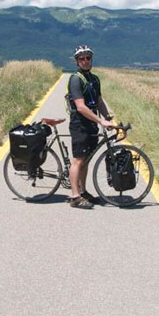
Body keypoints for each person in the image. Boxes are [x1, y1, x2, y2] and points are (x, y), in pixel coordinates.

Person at [66, 45, 115, 209]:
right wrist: (100, 121)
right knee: (78, 160)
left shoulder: (94, 79)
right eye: (82, 59)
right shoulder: (75, 79)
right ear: (77, 61)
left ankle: (83, 191)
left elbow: (99, 101)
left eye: (88, 58)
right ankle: (75, 197)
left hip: (91, 124)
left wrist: (107, 118)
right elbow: (80, 106)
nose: (86, 61)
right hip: (80, 125)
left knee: (85, 161)